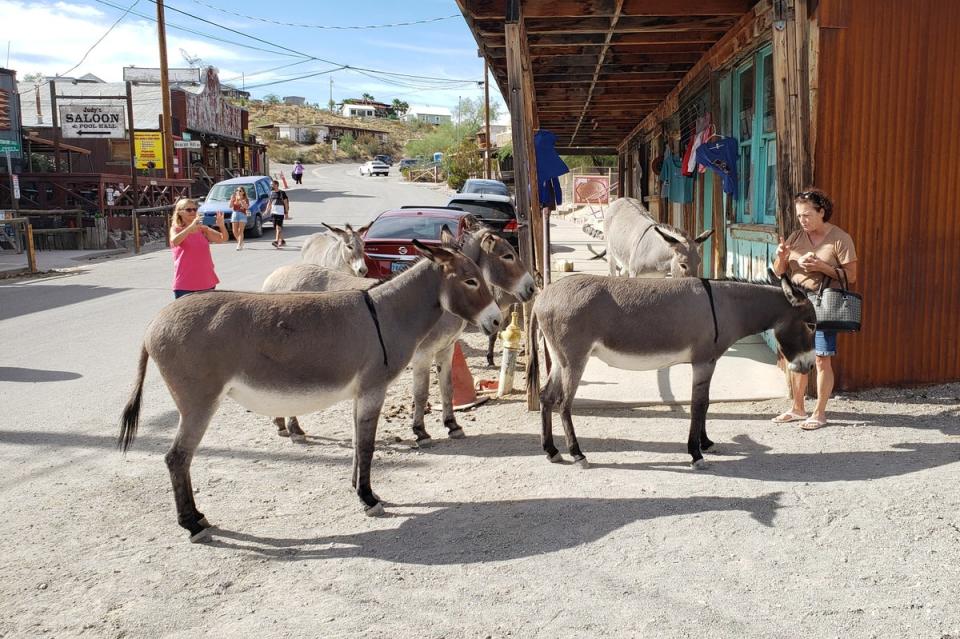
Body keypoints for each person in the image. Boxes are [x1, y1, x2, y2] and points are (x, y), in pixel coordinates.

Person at [771, 189, 858, 430]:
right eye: (799, 216)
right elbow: (779, 271)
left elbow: (851, 276)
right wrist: (782, 256)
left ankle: (819, 413)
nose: (802, 220)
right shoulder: (796, 237)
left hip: (824, 305)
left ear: (822, 212)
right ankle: (797, 408)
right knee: (799, 358)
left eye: (807, 215)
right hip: (796, 306)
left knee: (821, 359)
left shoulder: (840, 238)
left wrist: (822, 266)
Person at [169, 197, 228, 299]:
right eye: (188, 210)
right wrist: (190, 228)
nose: (193, 212)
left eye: (195, 209)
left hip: (206, 281)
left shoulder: (202, 229)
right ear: (180, 212)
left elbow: (223, 239)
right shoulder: (176, 229)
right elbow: (175, 241)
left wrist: (222, 226)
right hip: (185, 284)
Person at [267, 179, 290, 248]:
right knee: (276, 228)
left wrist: (286, 213)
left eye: (272, 185)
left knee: (278, 228)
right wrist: (266, 210)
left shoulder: (282, 193)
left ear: (276, 185)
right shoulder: (271, 193)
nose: (271, 186)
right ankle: (282, 241)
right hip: (273, 213)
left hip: (280, 213)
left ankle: (276, 241)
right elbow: (269, 202)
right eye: (271, 185)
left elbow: (286, 203)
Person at [228, 186, 249, 250]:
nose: (238, 192)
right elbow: (230, 206)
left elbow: (246, 207)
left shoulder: (245, 199)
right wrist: (231, 200)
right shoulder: (234, 198)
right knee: (234, 231)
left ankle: (239, 245)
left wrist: (241, 201)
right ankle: (240, 242)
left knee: (240, 231)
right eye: (237, 190)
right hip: (235, 214)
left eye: (240, 191)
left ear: (243, 192)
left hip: (242, 214)